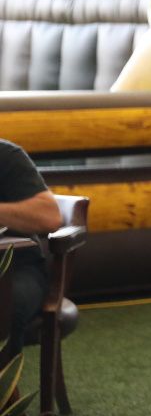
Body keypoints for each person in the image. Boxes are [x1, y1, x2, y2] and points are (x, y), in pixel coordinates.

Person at [0, 140, 63, 362]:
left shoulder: (6, 155)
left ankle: (5, 383)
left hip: (16, 268)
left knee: (4, 302)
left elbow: (49, 217)